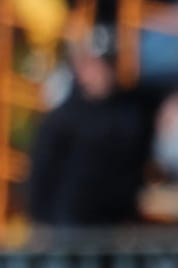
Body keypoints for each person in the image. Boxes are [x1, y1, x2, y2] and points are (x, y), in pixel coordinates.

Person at [26, 23, 170, 229]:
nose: (102, 71)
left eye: (108, 64)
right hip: (70, 229)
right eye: (94, 64)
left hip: (116, 226)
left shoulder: (132, 108)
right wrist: (44, 230)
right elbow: (41, 182)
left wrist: (171, 101)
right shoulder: (62, 119)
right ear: (79, 68)